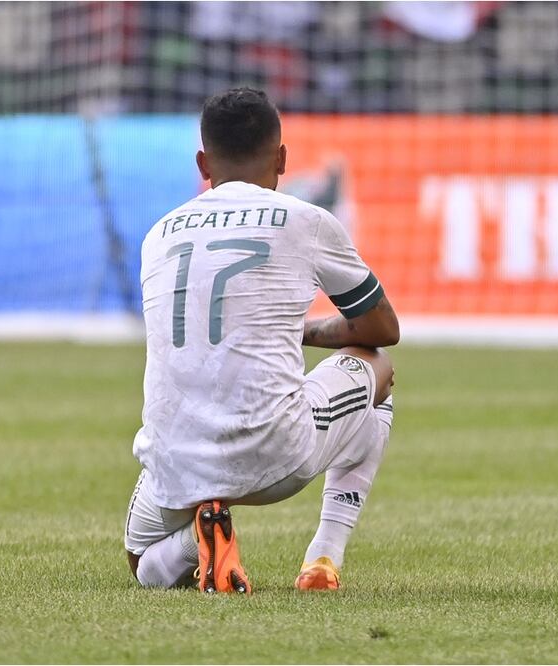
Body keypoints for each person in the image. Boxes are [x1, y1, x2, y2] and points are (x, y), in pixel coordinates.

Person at [124, 87, 399, 593]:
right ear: (283, 158)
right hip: (274, 454)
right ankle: (322, 558)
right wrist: (305, 331)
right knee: (376, 368)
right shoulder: (306, 219)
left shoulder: (158, 233)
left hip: (174, 459)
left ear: (203, 163)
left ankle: (194, 541)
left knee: (141, 558)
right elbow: (384, 329)